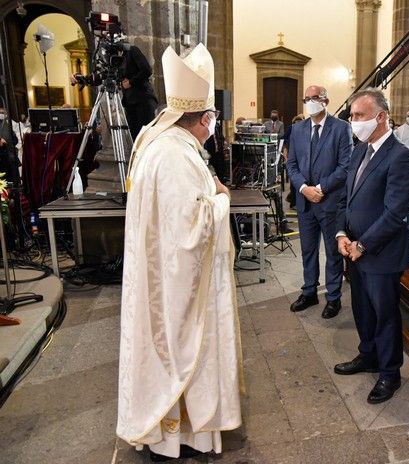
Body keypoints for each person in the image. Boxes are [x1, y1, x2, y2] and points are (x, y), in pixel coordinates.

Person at [118, 44, 242, 461]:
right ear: (203, 117)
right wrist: (222, 199)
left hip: (161, 270)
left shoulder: (156, 137)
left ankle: (178, 429)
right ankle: (177, 435)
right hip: (175, 283)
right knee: (181, 349)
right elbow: (192, 228)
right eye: (212, 119)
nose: (214, 126)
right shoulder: (174, 154)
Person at [334, 88, 409, 404]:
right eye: (352, 116)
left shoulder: (401, 157)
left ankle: (389, 373)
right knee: (361, 308)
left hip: (380, 253)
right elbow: (346, 198)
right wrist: (342, 236)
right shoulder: (359, 150)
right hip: (353, 249)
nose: (353, 122)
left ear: (381, 117)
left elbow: (395, 212)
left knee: (384, 315)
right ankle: (367, 354)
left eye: (359, 116)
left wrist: (363, 244)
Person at [286, 85, 352, 319]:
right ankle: (309, 291)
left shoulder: (342, 129)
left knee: (333, 252)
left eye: (315, 98)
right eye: (307, 98)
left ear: (326, 100)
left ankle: (333, 297)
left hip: (329, 201)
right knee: (308, 250)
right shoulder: (297, 129)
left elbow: (345, 166)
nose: (310, 102)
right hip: (306, 202)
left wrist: (321, 189)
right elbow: (291, 164)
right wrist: (304, 189)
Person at [120, 45, 158, 140]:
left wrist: (131, 82)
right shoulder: (114, 60)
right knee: (135, 139)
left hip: (143, 99)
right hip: (130, 102)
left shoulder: (131, 50)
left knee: (146, 137)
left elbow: (146, 70)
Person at [282, 114, 305, 209]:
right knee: (295, 183)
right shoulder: (293, 130)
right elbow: (286, 145)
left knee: (296, 183)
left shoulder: (303, 131)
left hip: (299, 160)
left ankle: (294, 201)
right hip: (295, 160)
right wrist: (287, 159)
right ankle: (293, 202)